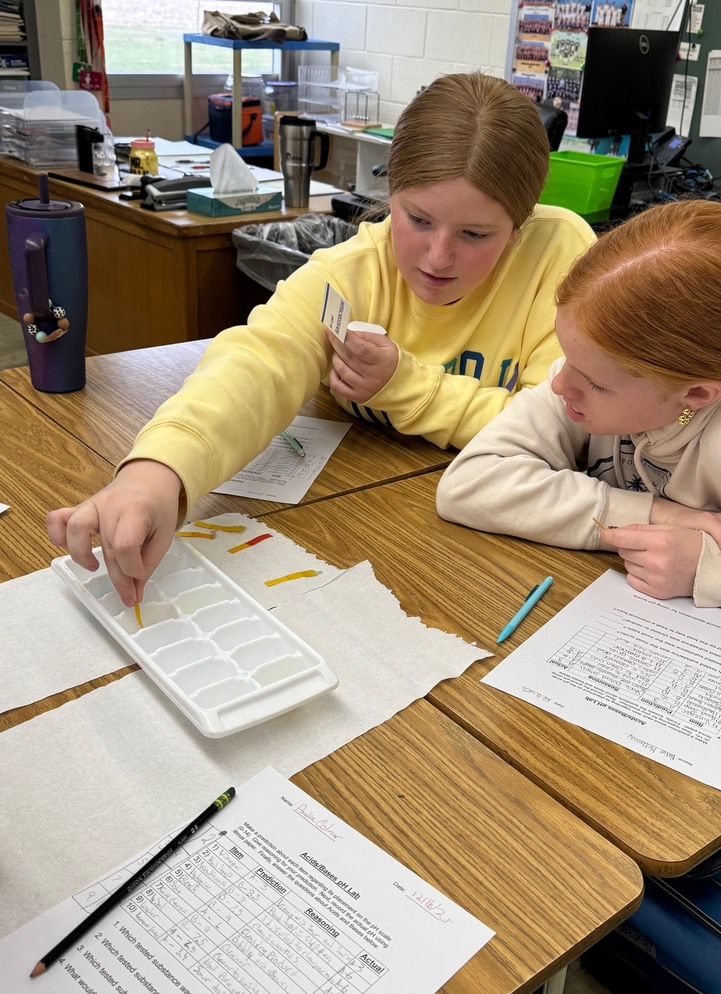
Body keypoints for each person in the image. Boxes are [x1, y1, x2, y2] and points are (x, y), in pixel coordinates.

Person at [47, 71, 595, 606]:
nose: (438, 257)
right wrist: (157, 471)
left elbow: (562, 432)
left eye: (474, 234)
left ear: (518, 228)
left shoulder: (561, 255)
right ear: (390, 196)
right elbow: (258, 362)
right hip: (363, 521)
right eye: (418, 220)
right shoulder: (353, 271)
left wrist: (406, 387)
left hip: (499, 557)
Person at [436, 199, 721, 616]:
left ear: (697, 395)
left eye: (595, 383)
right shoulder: (596, 366)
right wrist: (656, 515)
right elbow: (469, 483)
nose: (559, 384)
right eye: (566, 355)